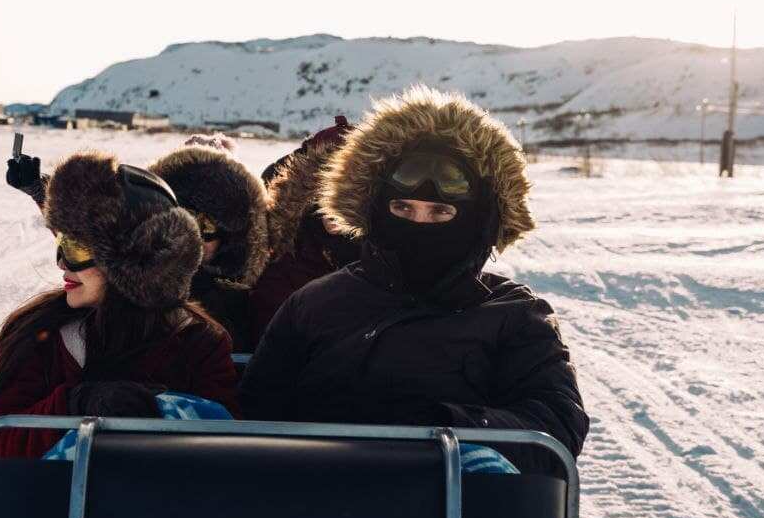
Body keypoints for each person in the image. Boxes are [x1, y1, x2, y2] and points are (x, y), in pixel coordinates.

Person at [239, 86, 588, 473]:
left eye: (440, 213)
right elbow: (256, 413)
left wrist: (443, 425)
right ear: (373, 210)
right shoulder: (316, 303)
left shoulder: (514, 313)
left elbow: (556, 426)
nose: (418, 226)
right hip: (324, 505)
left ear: (479, 221)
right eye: (402, 208)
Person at [0, 151, 240, 459]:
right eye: (61, 244)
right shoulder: (39, 333)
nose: (61, 264)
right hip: (53, 503)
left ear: (133, 264)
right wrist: (74, 403)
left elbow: (223, 452)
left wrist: (165, 414)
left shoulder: (198, 341)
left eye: (76, 249)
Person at [249, 116, 360, 345]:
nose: (335, 206)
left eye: (351, 193)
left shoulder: (388, 259)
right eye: (325, 192)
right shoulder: (283, 259)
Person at [149, 141, 269, 351]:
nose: (195, 238)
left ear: (229, 238)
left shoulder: (248, 304)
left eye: (208, 226)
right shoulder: (134, 297)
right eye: (186, 221)